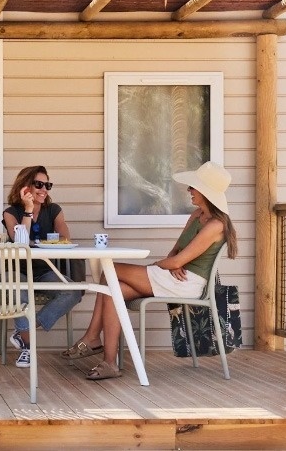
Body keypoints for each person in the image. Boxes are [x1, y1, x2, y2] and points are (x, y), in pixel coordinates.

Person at [63, 160, 238, 380]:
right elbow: (175, 253)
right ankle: (108, 362)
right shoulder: (196, 216)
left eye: (193, 187)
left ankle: (91, 338)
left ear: (205, 191)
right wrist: (171, 264)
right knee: (112, 291)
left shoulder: (216, 226)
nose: (189, 190)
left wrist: (162, 265)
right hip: (172, 276)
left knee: (110, 272)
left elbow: (175, 262)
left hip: (187, 284)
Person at [1, 165, 83, 369]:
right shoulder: (11, 212)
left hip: (47, 271)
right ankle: (28, 348)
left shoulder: (53, 210)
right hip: (18, 271)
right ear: (24, 186)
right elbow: (20, 242)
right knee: (18, 291)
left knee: (72, 292)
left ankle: (25, 331)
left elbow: (65, 238)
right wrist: (28, 210)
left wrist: (47, 242)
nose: (44, 189)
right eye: (39, 184)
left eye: (47, 184)